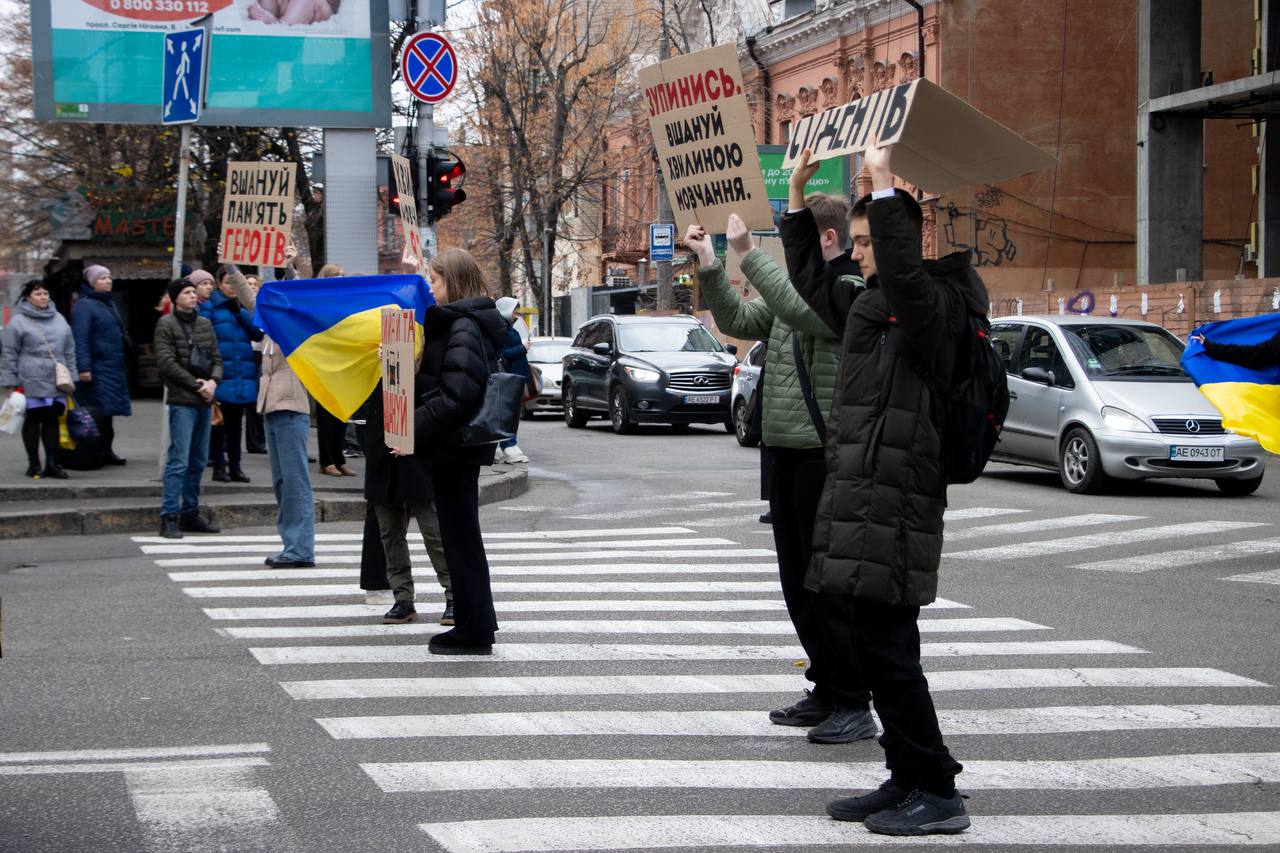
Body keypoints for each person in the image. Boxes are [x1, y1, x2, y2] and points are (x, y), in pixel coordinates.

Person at [783, 141, 975, 836]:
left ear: (903, 241)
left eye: (869, 242)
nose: (859, 254)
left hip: (898, 498)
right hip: (862, 497)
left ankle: (939, 788)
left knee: (890, 654)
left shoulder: (935, 312)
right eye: (857, 241)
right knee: (879, 649)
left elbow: (904, 271)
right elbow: (811, 279)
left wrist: (888, 182)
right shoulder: (871, 311)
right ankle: (906, 775)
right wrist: (798, 199)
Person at [686, 208, 876, 747]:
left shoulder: (843, 287)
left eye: (798, 240)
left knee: (828, 585)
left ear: (827, 239)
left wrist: (749, 254)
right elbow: (739, 323)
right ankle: (826, 683)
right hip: (786, 452)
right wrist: (710, 264)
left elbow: (803, 308)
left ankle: (854, 700)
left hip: (825, 454)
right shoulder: (800, 289)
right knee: (798, 583)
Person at [404, 248, 506, 655]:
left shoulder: (463, 325)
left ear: (455, 281)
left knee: (461, 540)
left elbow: (454, 396)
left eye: (436, 279)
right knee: (461, 537)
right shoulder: (463, 323)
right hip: (455, 447)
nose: (431, 287)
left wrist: (409, 430)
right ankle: (476, 621)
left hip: (455, 447)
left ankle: (473, 630)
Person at [225, 247, 317, 568]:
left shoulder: (294, 320)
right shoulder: (271, 321)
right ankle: (292, 544)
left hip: (290, 404)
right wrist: (230, 266)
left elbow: (299, 293)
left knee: (294, 480)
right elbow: (249, 298)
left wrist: (288, 265)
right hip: (272, 404)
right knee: (282, 480)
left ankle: (301, 548)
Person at [363, 386, 454, 626]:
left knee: (433, 529)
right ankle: (402, 597)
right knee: (389, 530)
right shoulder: (368, 349)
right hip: (380, 433)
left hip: (418, 433)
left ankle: (455, 595)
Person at [154, 278, 223, 539]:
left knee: (196, 461)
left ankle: (190, 513)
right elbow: (166, 362)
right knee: (178, 461)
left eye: (194, 292)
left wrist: (213, 382)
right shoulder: (166, 324)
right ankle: (169, 516)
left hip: (204, 399)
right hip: (183, 399)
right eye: (187, 292)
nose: (193, 296)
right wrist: (198, 385)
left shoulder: (204, 324)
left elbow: (217, 358)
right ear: (175, 298)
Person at [1, 281, 76, 479]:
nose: (43, 297)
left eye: (45, 293)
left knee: (53, 420)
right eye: (38, 294)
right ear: (27, 297)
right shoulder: (18, 321)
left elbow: (69, 350)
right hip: (30, 377)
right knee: (34, 420)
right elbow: (9, 354)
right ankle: (33, 464)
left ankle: (52, 463)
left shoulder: (59, 318)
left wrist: (72, 377)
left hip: (56, 378)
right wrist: (9, 383)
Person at [205, 266, 264, 483]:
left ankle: (236, 468)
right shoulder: (210, 307)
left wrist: (239, 311)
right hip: (221, 374)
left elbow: (257, 333)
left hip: (241, 375)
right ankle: (219, 467)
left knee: (235, 426)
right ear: (219, 284)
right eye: (227, 282)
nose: (231, 287)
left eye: (234, 283)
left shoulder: (242, 308)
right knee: (219, 426)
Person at [71, 264, 131, 465]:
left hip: (112, 366)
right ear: (92, 282)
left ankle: (107, 451)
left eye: (109, 277)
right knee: (97, 412)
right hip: (96, 368)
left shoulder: (109, 303)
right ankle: (94, 452)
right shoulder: (84, 306)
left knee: (107, 413)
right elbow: (81, 338)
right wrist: (84, 367)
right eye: (103, 278)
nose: (108, 281)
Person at [315, 263, 355, 477]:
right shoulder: (321, 302)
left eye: (342, 274)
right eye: (335, 275)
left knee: (342, 414)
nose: (340, 278)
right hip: (325, 364)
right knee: (326, 416)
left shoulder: (345, 301)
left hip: (344, 364)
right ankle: (326, 460)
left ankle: (339, 459)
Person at [494, 296, 530, 464]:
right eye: (514, 310)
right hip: (509, 378)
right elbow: (503, 355)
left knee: (511, 412)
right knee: (508, 413)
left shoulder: (506, 327)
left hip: (513, 377)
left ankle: (504, 445)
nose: (516, 314)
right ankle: (508, 445)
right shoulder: (502, 330)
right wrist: (522, 348)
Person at [243, 274, 268, 455]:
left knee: (259, 398)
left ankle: (258, 440)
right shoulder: (241, 307)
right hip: (248, 354)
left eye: (254, 284)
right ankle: (254, 441)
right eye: (248, 284)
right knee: (251, 400)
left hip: (263, 353)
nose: (251, 286)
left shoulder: (263, 308)